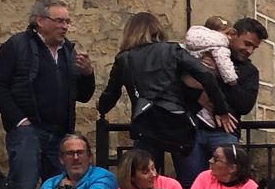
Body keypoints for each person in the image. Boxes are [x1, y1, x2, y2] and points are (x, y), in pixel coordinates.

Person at [95, 11, 230, 174]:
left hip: (146, 123)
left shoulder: (125, 59)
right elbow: (206, 75)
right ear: (157, 29)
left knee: (144, 178)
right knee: (189, 180)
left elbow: (112, 93)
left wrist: (101, 108)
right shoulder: (172, 50)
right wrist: (221, 109)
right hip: (176, 120)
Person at [0, 0, 96, 189]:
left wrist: (88, 74)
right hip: (28, 133)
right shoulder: (17, 46)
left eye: (67, 22)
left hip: (60, 134)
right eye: (59, 21)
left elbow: (83, 96)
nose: (64, 27)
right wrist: (19, 120)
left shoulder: (68, 53)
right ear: (40, 21)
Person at [178, 18, 267, 185]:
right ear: (233, 35)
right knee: (190, 184)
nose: (249, 50)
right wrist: (199, 97)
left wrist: (218, 76)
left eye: (254, 47)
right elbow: (177, 85)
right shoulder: (198, 55)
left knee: (229, 183)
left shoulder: (249, 71)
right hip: (191, 129)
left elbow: (244, 104)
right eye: (247, 43)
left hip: (224, 133)